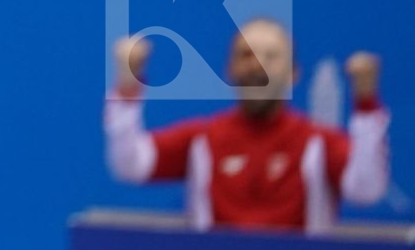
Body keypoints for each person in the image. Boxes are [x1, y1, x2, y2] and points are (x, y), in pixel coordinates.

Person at [106, 22, 389, 230]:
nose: (257, 66)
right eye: (246, 55)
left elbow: (367, 190)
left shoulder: (319, 142)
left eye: (271, 56)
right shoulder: (203, 138)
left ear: (293, 74)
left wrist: (366, 104)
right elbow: (131, 165)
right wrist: (127, 84)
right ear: (229, 69)